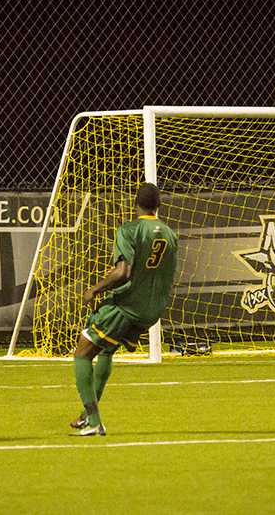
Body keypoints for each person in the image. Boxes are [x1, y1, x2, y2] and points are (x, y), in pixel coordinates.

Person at [70, 183, 178, 436]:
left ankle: (94, 420)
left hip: (127, 306)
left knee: (83, 352)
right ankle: (87, 415)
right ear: (158, 205)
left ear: (136, 203)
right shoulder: (170, 233)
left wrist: (95, 290)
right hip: (153, 310)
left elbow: (122, 271)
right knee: (106, 349)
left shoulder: (130, 229)